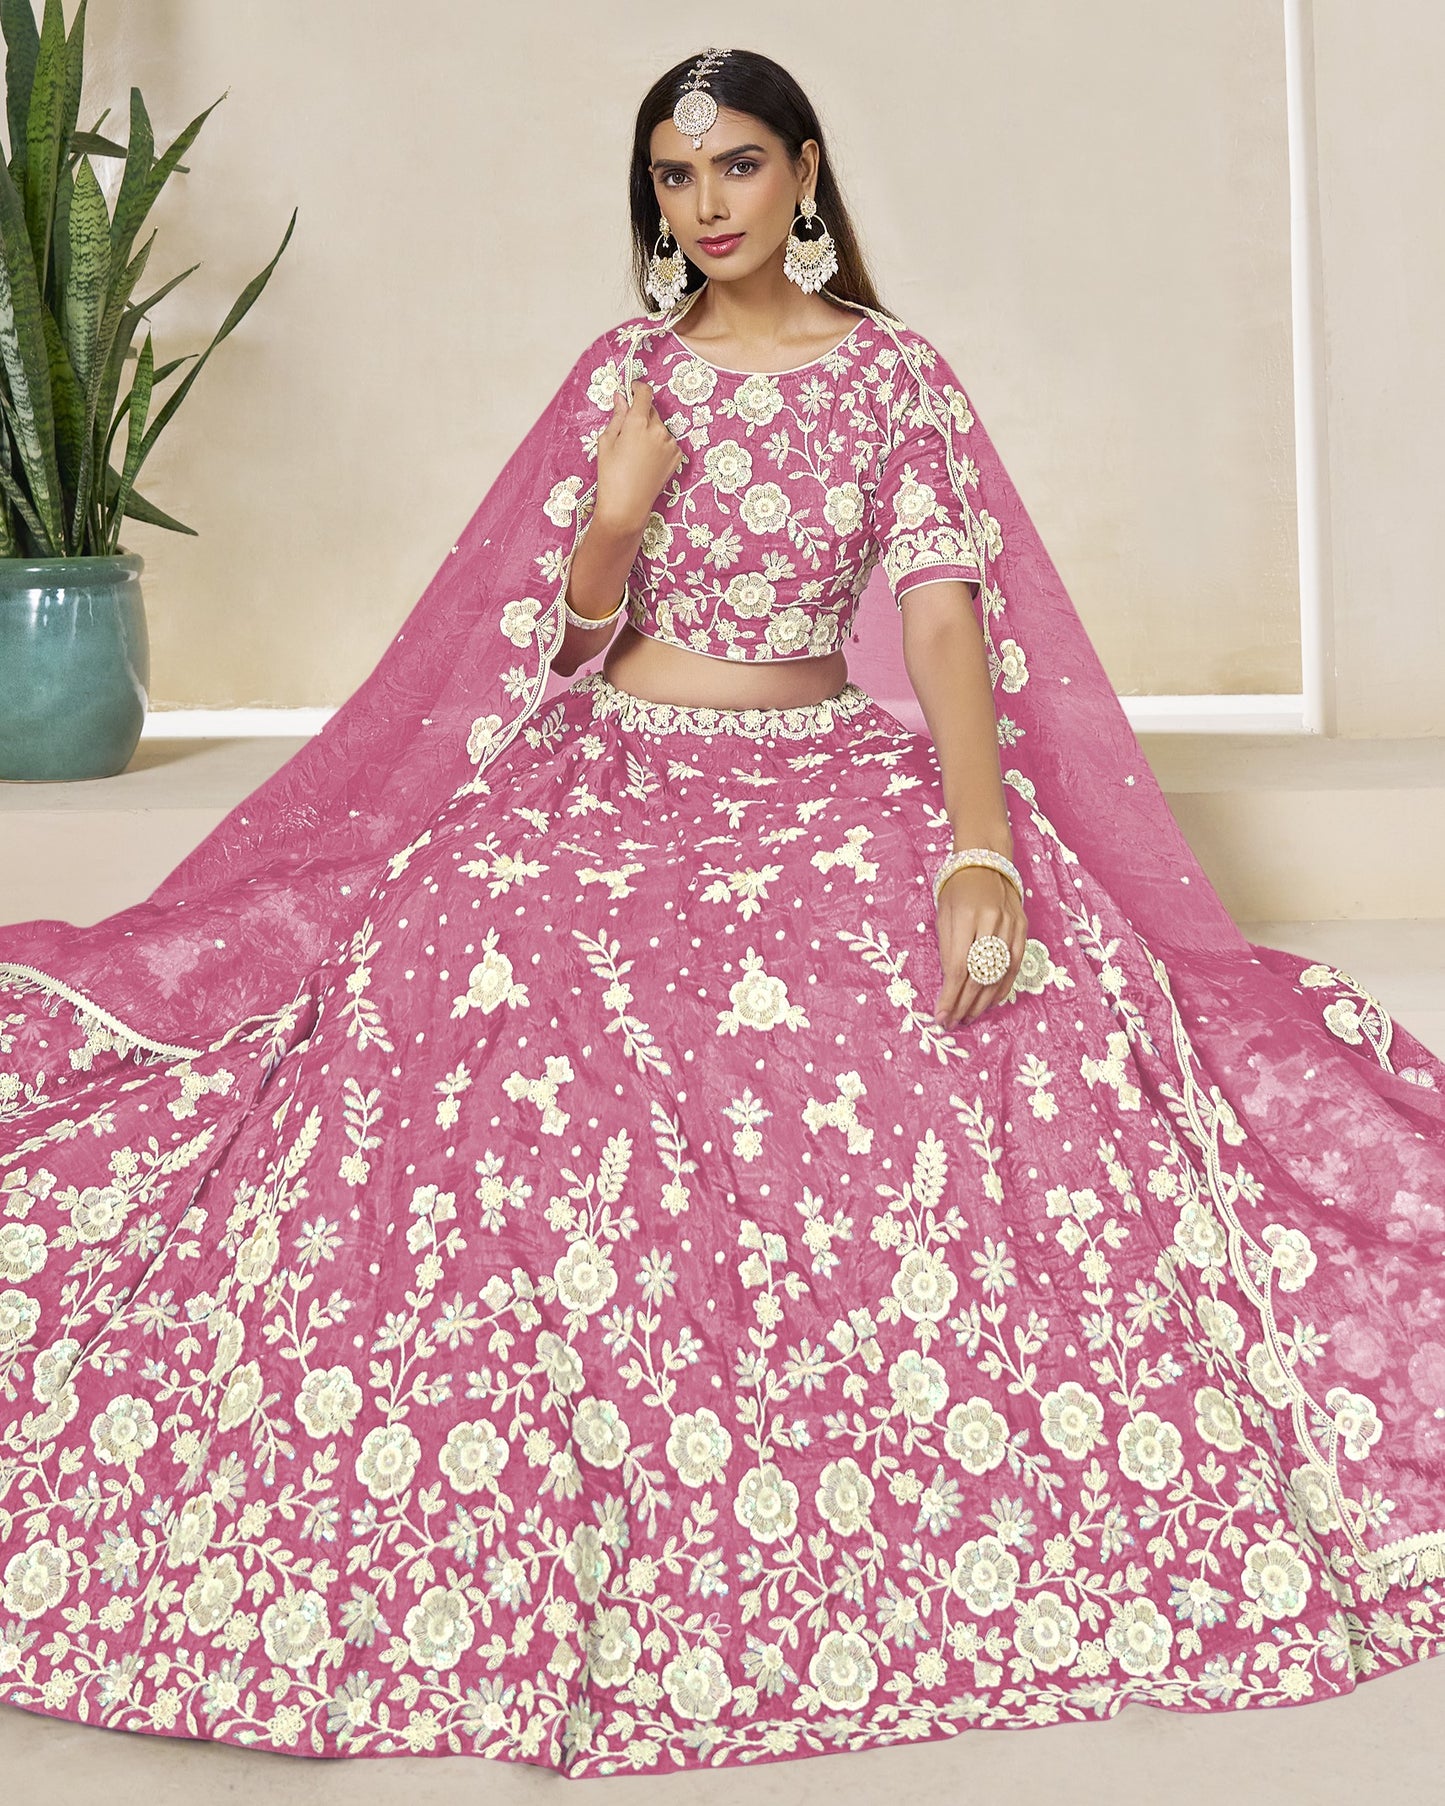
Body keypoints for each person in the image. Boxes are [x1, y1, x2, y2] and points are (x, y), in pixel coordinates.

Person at [1, 43, 1443, 1780]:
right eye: (677, 182)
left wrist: (978, 846)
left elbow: (935, 623)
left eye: (738, 168)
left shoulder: (894, 378)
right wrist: (613, 515)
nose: (707, 206)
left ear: (808, 173)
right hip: (619, 771)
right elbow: (559, 633)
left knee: (996, 1002)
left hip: (824, 773)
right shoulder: (630, 373)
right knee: (456, 937)